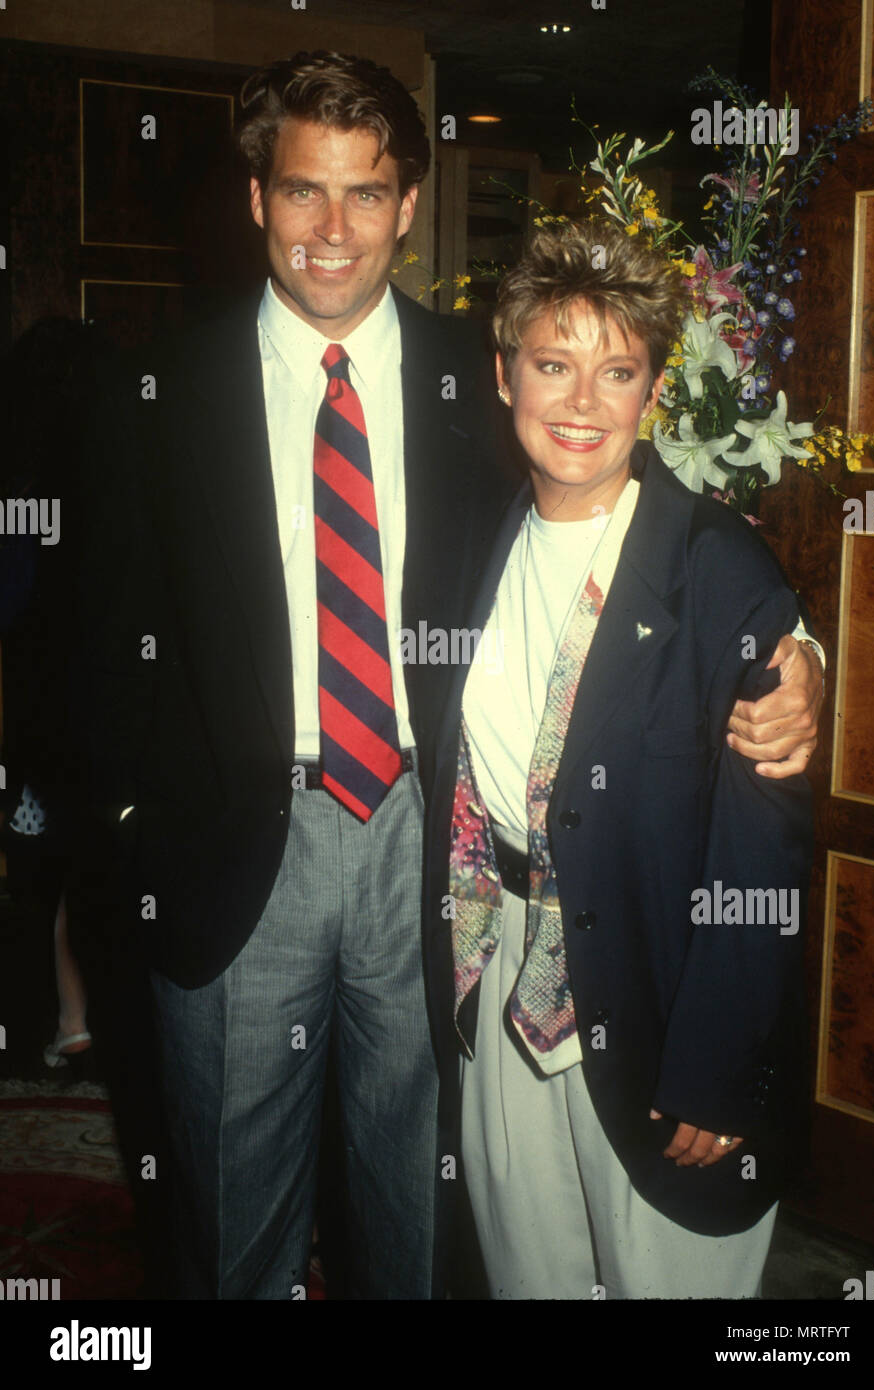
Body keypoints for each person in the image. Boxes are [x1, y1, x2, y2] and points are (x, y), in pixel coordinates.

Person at [70, 53, 822, 1301]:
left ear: (409, 205)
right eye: (303, 190)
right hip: (234, 859)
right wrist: (144, 834)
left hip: (433, 856)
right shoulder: (153, 398)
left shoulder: (478, 385)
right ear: (256, 195)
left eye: (366, 195)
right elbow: (92, 653)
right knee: (230, 1229)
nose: (332, 230)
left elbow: (638, 516)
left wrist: (789, 650)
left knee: (419, 1213)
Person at [422, 217, 816, 1300]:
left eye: (617, 371)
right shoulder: (471, 540)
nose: (582, 403)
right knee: (527, 1280)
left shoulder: (716, 566)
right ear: (505, 376)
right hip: (502, 977)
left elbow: (764, 851)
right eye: (554, 364)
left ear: (653, 393)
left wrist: (722, 1064)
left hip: (665, 997)